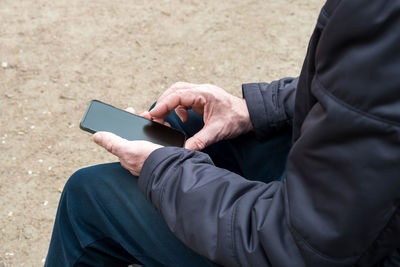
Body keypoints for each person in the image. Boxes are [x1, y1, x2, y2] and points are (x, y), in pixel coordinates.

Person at [45, 1, 400, 266]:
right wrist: (253, 109)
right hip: (349, 201)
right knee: (187, 128)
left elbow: (302, 243)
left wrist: (164, 170)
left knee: (89, 196)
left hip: (331, 246)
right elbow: (362, 98)